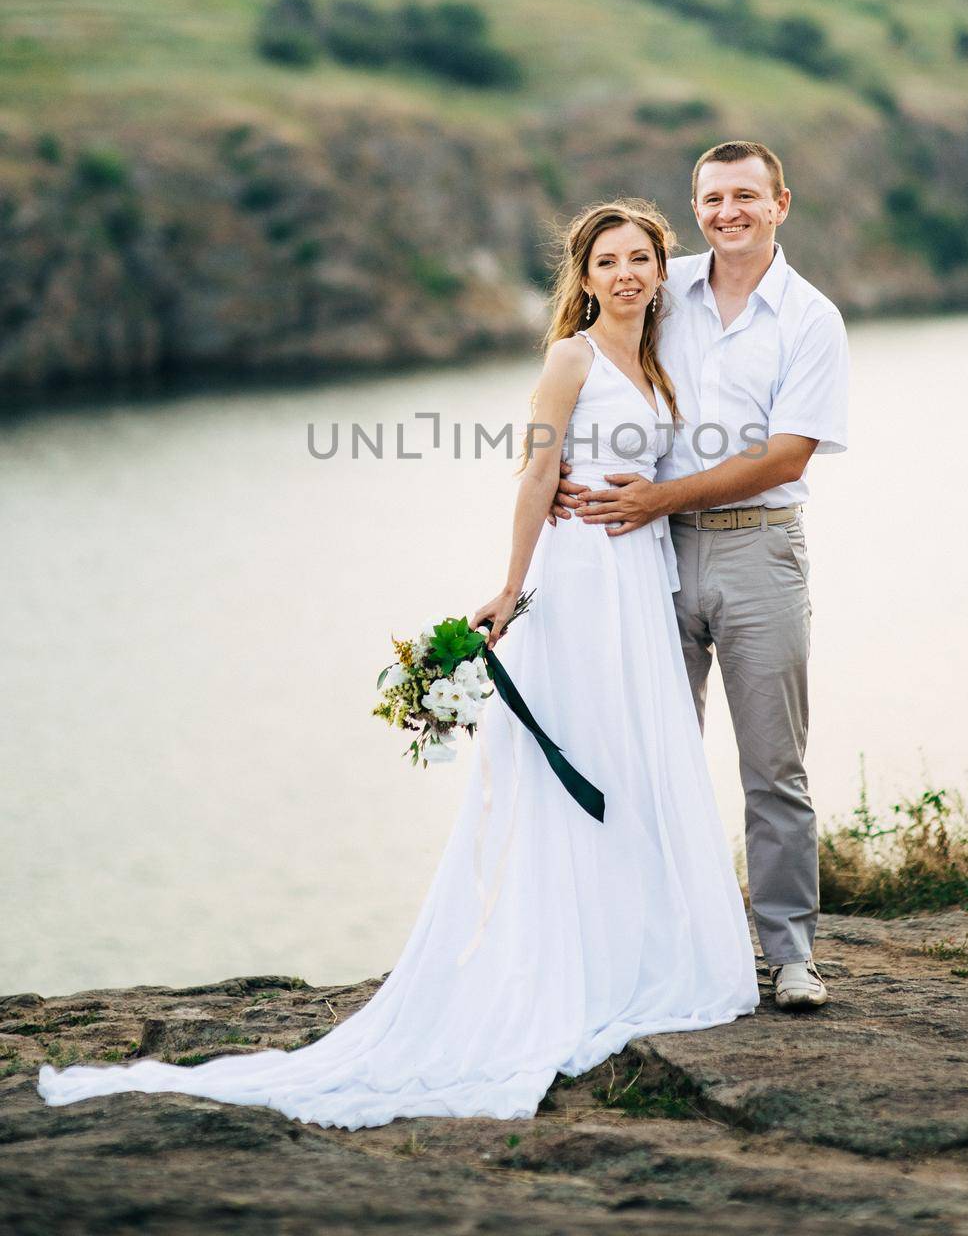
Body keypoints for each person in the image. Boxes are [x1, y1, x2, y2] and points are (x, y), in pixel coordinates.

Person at [38, 198, 758, 1132]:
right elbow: (538, 475)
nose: (627, 274)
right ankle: (568, 967)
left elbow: (674, 465)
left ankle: (641, 951)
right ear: (583, 279)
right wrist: (509, 586)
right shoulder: (570, 358)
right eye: (609, 261)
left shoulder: (660, 360)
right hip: (580, 582)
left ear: (663, 271)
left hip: (640, 579)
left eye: (642, 259)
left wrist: (655, 501)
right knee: (579, 759)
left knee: (638, 759)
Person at [553, 142, 849, 1011]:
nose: (730, 212)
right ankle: (653, 939)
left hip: (761, 550)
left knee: (773, 766)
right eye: (713, 198)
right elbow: (579, 371)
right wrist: (563, 471)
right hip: (650, 555)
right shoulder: (656, 284)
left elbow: (788, 453)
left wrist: (657, 495)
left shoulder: (810, 318)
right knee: (648, 749)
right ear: (697, 206)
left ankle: (790, 953)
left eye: (746, 196)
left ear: (780, 203)